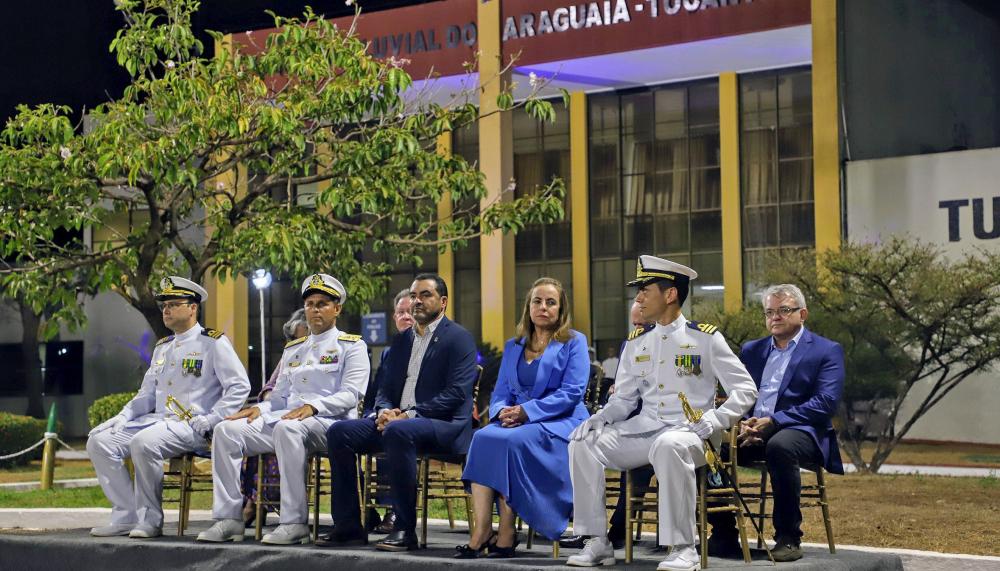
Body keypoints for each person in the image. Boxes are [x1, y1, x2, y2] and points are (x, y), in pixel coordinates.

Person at [566, 255, 757, 571]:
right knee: (582, 442)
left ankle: (684, 548)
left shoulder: (705, 338)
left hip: (693, 434)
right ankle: (597, 541)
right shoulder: (638, 343)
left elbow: (746, 389)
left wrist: (716, 418)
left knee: (667, 445)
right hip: (646, 428)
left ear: (670, 295)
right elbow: (625, 401)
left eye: (645, 290)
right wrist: (600, 418)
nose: (638, 297)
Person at [197, 274, 369, 545]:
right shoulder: (295, 349)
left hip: (330, 424)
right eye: (310, 303)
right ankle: (229, 518)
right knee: (226, 430)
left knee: (288, 429)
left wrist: (314, 406)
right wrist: (260, 409)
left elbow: (351, 395)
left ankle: (292, 522)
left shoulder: (352, 345)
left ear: (337, 309)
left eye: (322, 303)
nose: (315, 309)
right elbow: (280, 397)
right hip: (289, 420)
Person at [320, 273, 477, 551]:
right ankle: (349, 526)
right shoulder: (402, 341)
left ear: (443, 302)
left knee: (399, 430)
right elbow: (384, 388)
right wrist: (382, 411)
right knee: (339, 432)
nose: (417, 301)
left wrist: (409, 415)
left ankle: (404, 529)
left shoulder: (458, 338)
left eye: (425, 295)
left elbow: (456, 394)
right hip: (396, 425)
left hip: (442, 425)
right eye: (414, 295)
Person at [87, 276, 250, 539]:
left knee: (143, 442)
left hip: (194, 426)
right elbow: (147, 394)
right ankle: (126, 515)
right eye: (164, 305)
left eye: (174, 304)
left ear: (193, 308)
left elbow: (239, 386)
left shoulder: (213, 343)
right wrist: (124, 415)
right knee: (99, 441)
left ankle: (150, 520)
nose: (167, 310)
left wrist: (213, 418)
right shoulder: (163, 347)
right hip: (158, 422)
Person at [707, 284, 845, 563]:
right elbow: (740, 394)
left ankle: (788, 538)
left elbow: (825, 403)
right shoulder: (752, 350)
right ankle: (723, 533)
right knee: (706, 449)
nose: (775, 317)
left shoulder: (826, 350)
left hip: (801, 432)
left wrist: (775, 421)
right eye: (769, 312)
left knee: (780, 447)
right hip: (751, 430)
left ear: (802, 313)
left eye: (784, 310)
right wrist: (743, 423)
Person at [457, 278, 590, 559]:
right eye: (537, 301)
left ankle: (505, 531)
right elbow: (501, 392)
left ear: (561, 308)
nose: (543, 307)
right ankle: (482, 530)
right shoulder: (514, 345)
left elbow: (572, 393)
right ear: (528, 307)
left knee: (510, 443)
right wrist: (501, 413)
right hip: (516, 422)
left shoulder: (574, 342)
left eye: (550, 302)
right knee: (482, 437)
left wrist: (526, 412)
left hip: (561, 422)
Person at [561, 299, 653, 550]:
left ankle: (619, 530)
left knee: (636, 466)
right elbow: (623, 397)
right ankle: (590, 532)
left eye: (643, 324)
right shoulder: (632, 344)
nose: (638, 328)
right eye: (634, 324)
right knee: (582, 444)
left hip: (657, 426)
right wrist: (617, 395)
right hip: (628, 420)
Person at [239, 308, 308, 527]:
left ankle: (261, 504)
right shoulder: (291, 355)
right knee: (253, 434)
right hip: (283, 412)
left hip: (310, 416)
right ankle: (253, 500)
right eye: (297, 338)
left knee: (280, 436)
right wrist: (270, 398)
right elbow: (271, 387)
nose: (301, 342)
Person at [363, 288, 415, 534]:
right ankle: (363, 511)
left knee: (393, 436)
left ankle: (395, 510)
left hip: (413, 420)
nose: (406, 317)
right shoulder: (388, 352)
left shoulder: (432, 348)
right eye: (401, 312)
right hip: (387, 417)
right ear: (394, 317)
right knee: (345, 434)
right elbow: (377, 392)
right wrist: (377, 413)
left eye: (411, 312)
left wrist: (398, 416)